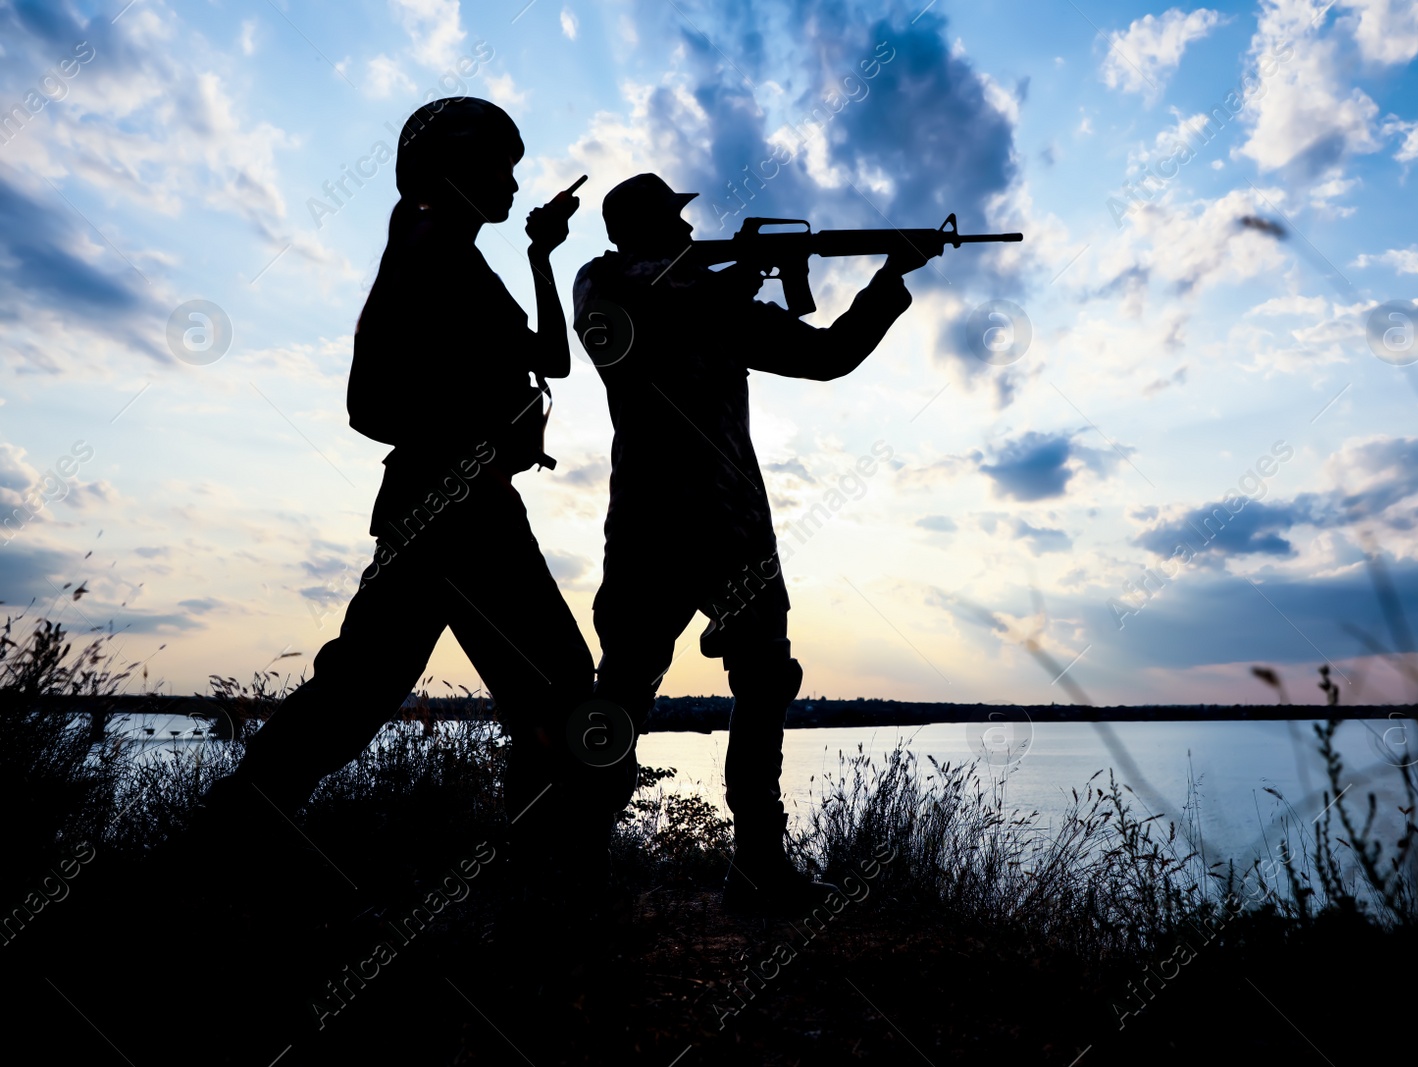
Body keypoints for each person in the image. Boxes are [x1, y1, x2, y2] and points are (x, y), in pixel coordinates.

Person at [195, 98, 615, 893]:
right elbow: (368, 404)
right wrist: (473, 437)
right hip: (464, 508)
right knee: (559, 683)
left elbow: (553, 362)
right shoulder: (426, 244)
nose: (513, 180)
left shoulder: (456, 258)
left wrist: (541, 257)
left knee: (356, 693)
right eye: (502, 163)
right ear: (453, 162)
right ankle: (550, 891)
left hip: (446, 506)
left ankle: (221, 841)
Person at [572, 173, 926, 914]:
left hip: (731, 525)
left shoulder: (717, 302)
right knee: (625, 687)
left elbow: (829, 355)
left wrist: (888, 280)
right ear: (636, 229)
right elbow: (656, 301)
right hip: (650, 524)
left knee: (763, 679)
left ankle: (759, 865)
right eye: (669, 220)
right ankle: (576, 865)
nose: (682, 231)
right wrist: (745, 272)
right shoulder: (606, 282)